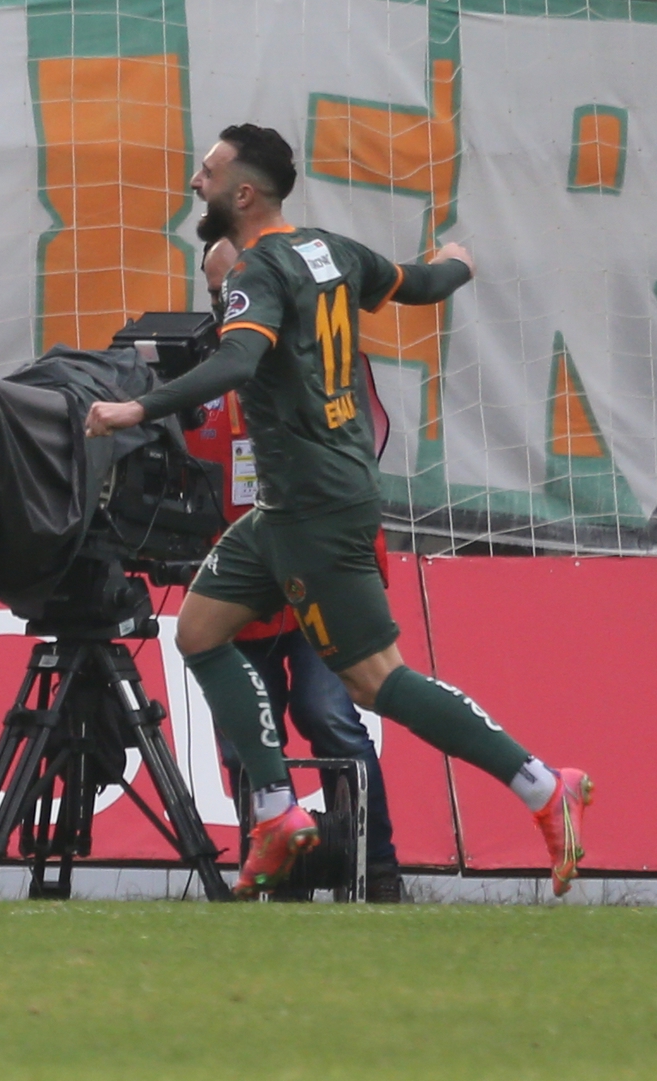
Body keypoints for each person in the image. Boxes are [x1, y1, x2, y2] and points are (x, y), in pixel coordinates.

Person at [87, 124, 591, 899]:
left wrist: (136, 409)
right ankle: (278, 811)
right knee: (198, 632)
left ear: (243, 194)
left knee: (371, 681)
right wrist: (455, 264)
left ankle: (538, 785)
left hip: (315, 505)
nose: (197, 181)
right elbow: (418, 285)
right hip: (294, 504)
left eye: (209, 170)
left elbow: (234, 360)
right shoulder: (330, 251)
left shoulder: (256, 270)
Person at [186, 236, 405, 903]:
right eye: (218, 293)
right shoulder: (200, 384)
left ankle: (377, 869)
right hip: (247, 581)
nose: (229, 304)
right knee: (246, 736)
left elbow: (356, 453)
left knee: (327, 714)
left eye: (238, 291)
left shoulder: (325, 365)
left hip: (320, 569)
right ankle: (277, 870)